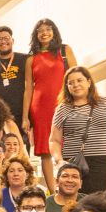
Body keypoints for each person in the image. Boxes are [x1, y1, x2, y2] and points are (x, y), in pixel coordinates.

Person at [49, 66, 106, 193]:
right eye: (71, 83)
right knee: (77, 206)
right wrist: (59, 161)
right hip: (74, 165)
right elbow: (54, 140)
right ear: (67, 87)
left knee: (104, 204)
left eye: (79, 80)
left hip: (103, 163)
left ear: (89, 82)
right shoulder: (63, 108)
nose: (75, 85)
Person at [27, 18, 74, 174]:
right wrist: (25, 118)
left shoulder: (65, 50)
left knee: (69, 144)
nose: (44, 33)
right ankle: (52, 191)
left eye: (48, 29)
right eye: (40, 30)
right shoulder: (31, 58)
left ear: (54, 31)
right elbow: (28, 89)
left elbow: (76, 75)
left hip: (64, 104)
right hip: (40, 108)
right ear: (35, 35)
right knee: (45, 151)